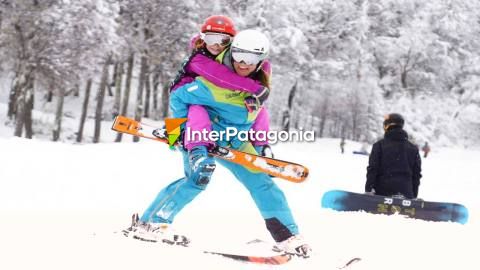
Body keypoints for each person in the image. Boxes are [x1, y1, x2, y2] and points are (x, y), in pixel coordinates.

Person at [126, 29, 311, 258]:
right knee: (196, 180)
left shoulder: (260, 82)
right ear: (231, 52)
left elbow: (259, 114)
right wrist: (178, 134)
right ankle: (151, 223)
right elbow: (178, 99)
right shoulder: (211, 81)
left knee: (261, 181)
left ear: (261, 60)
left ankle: (287, 236)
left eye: (251, 59)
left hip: (236, 139)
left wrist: (262, 146)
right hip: (200, 137)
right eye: (239, 56)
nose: (243, 63)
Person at [365, 113, 422, 199]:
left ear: (386, 126)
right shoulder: (413, 148)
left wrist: (368, 190)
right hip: (406, 193)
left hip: (382, 194)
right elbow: (416, 175)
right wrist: (413, 196)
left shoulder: (379, 145)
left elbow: (372, 169)